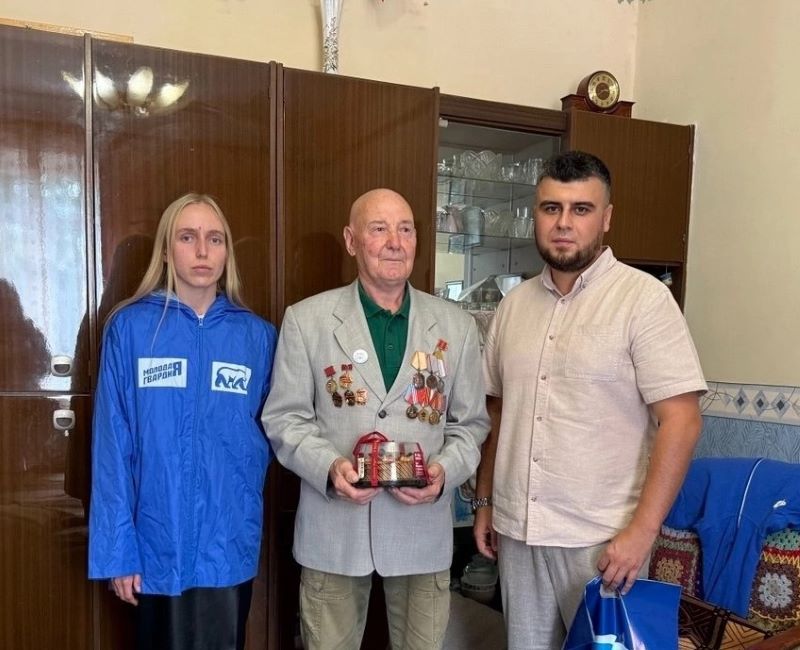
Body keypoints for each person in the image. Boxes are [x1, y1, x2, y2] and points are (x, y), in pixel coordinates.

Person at [473, 151, 707, 650]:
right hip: (519, 534)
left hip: (603, 542)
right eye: (551, 208)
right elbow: (497, 411)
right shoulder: (513, 307)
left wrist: (642, 533)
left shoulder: (643, 301)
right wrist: (486, 501)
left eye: (581, 209)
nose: (564, 223)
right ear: (535, 215)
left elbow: (682, 421)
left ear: (606, 217)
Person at [262, 188, 489, 650]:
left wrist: (444, 474)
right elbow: (285, 418)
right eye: (379, 229)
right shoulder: (307, 320)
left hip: (421, 531)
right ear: (351, 241)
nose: (395, 242)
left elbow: (471, 425)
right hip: (335, 531)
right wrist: (329, 467)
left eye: (405, 229)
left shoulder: (457, 327)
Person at [88, 193, 278, 650]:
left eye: (215, 239)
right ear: (166, 249)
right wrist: (118, 552)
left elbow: (279, 432)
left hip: (227, 542)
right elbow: (112, 447)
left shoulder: (256, 336)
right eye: (188, 237)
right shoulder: (131, 329)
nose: (202, 251)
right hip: (155, 543)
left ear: (227, 252)